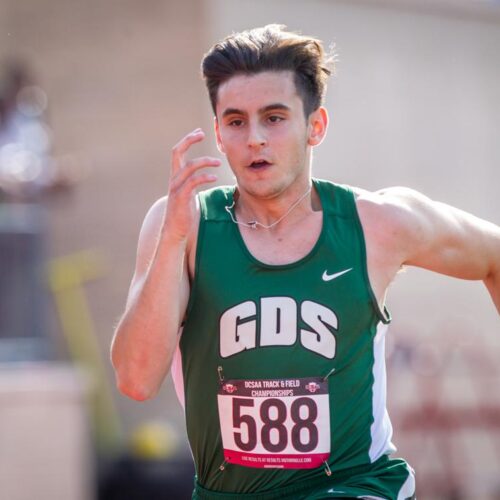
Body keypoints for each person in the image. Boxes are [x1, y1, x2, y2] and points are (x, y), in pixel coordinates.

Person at [111, 24, 500, 500]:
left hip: (357, 487)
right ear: (217, 131)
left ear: (315, 126)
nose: (254, 138)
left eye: (274, 118)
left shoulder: (379, 223)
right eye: (235, 121)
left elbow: (493, 255)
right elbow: (134, 379)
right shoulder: (183, 225)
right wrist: (172, 239)